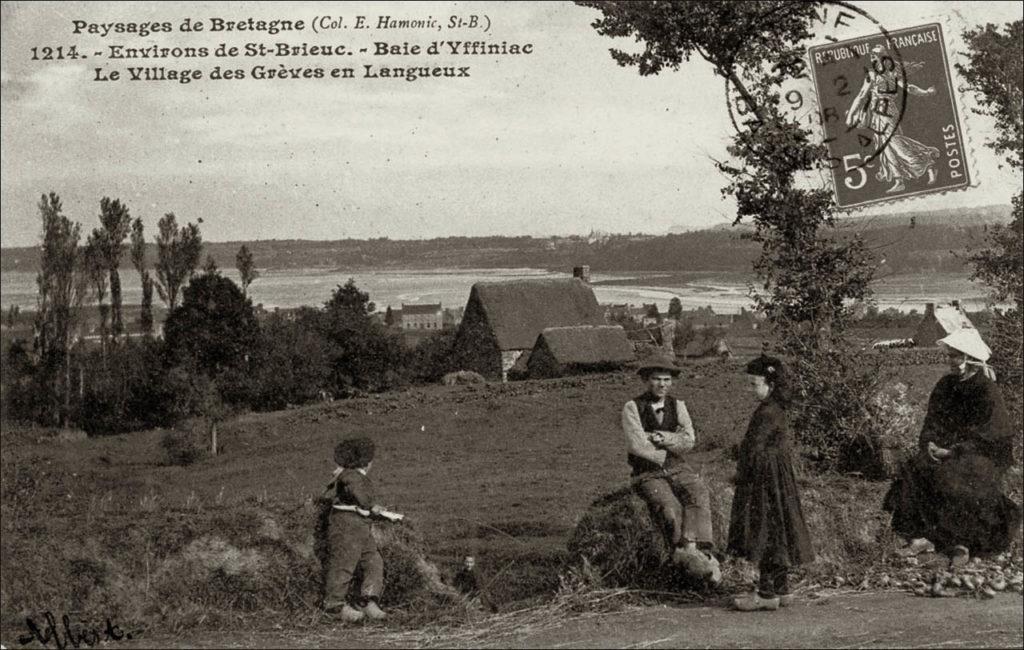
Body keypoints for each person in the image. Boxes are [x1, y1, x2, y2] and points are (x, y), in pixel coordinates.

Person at [883, 328, 1021, 558]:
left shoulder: (985, 388)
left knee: (956, 477)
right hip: (944, 448)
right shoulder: (945, 385)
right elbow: (933, 421)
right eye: (951, 355)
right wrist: (929, 443)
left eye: (957, 355)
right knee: (916, 469)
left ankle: (961, 542)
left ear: (970, 359)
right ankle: (921, 537)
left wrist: (954, 451)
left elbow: (992, 432)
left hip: (981, 451)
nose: (952, 361)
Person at [622, 351, 720, 583]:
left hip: (677, 467)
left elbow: (690, 440)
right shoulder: (632, 408)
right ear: (646, 381)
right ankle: (679, 552)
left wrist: (663, 437)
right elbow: (638, 445)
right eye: (656, 379)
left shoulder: (679, 405)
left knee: (698, 492)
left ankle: (696, 549)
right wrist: (673, 443)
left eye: (666, 380)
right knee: (668, 505)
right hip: (648, 472)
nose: (662, 385)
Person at [727, 355, 814, 612]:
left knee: (763, 527)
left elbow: (753, 449)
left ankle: (766, 593)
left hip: (763, 477)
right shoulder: (778, 408)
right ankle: (782, 588)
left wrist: (740, 471)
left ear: (771, 384)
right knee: (778, 528)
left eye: (755, 384)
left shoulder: (766, 412)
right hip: (778, 477)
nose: (751, 389)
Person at [845, 44, 940, 194]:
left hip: (887, 110)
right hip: (878, 112)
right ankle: (899, 180)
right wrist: (851, 114)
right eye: (872, 56)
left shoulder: (891, 74)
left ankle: (927, 162)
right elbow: (862, 95)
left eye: (875, 55)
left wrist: (926, 93)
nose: (873, 58)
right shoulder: (877, 74)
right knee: (885, 146)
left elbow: (909, 88)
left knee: (893, 142)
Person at [323, 436, 388, 623]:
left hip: (360, 524)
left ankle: (367, 600)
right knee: (344, 562)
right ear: (366, 462)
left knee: (373, 561)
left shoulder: (354, 475)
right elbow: (357, 493)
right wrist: (372, 505)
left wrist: (372, 508)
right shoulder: (351, 475)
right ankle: (334, 606)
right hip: (346, 524)